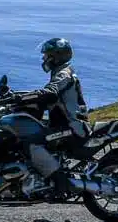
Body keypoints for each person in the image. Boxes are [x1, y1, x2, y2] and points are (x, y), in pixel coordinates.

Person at [7, 37, 90, 197]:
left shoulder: (64, 74)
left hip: (72, 127)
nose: (44, 59)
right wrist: (15, 96)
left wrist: (20, 98)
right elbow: (45, 95)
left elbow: (49, 92)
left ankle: (60, 182)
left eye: (47, 55)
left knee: (32, 143)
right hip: (64, 124)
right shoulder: (60, 72)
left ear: (56, 56)